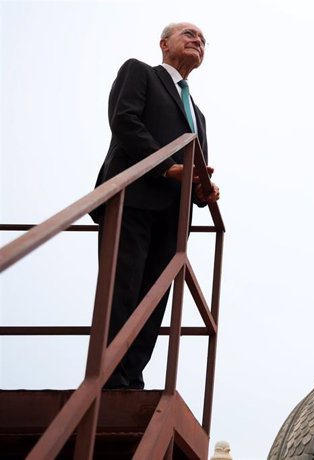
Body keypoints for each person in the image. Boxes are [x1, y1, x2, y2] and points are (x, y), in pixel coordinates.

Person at [91, 22, 220, 389]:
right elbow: (125, 122)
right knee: (123, 286)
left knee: (155, 299)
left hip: (173, 217)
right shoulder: (139, 72)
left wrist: (203, 191)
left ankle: (131, 379)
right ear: (164, 44)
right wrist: (167, 167)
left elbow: (194, 168)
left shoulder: (199, 114)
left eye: (203, 40)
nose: (198, 41)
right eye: (189, 35)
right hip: (131, 199)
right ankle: (107, 377)